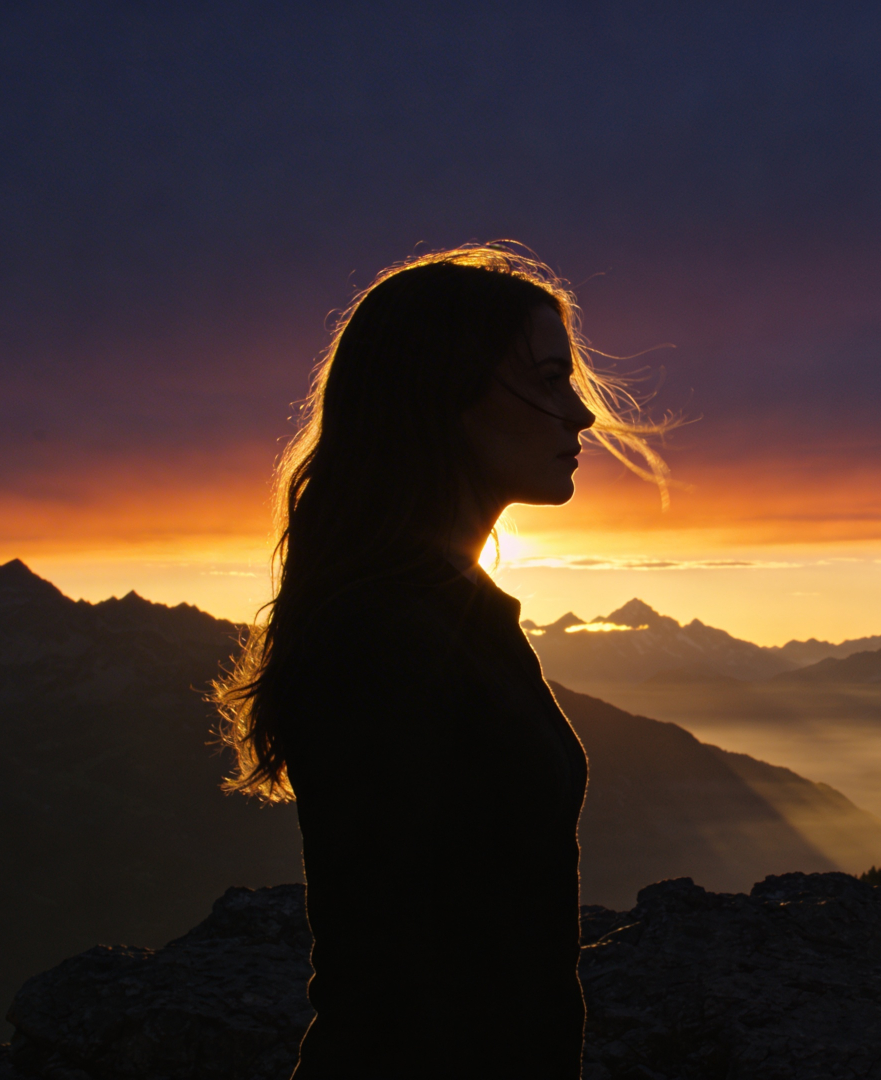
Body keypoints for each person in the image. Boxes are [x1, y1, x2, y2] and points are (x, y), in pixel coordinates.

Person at [214, 246, 670, 1077]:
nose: (581, 415)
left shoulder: (449, 612)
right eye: (548, 380)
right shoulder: (383, 635)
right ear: (445, 395)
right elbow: (388, 974)